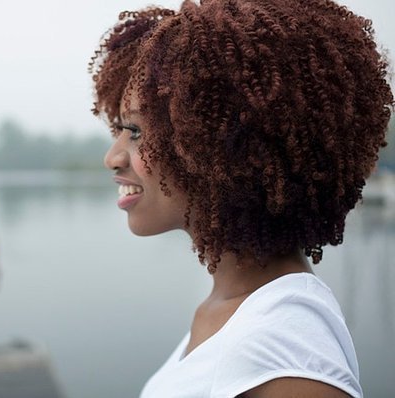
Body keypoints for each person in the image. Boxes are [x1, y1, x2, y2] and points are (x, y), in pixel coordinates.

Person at [89, 0, 392, 397]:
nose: (112, 157)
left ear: (220, 146)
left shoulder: (288, 356)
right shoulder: (238, 308)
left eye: (135, 131)